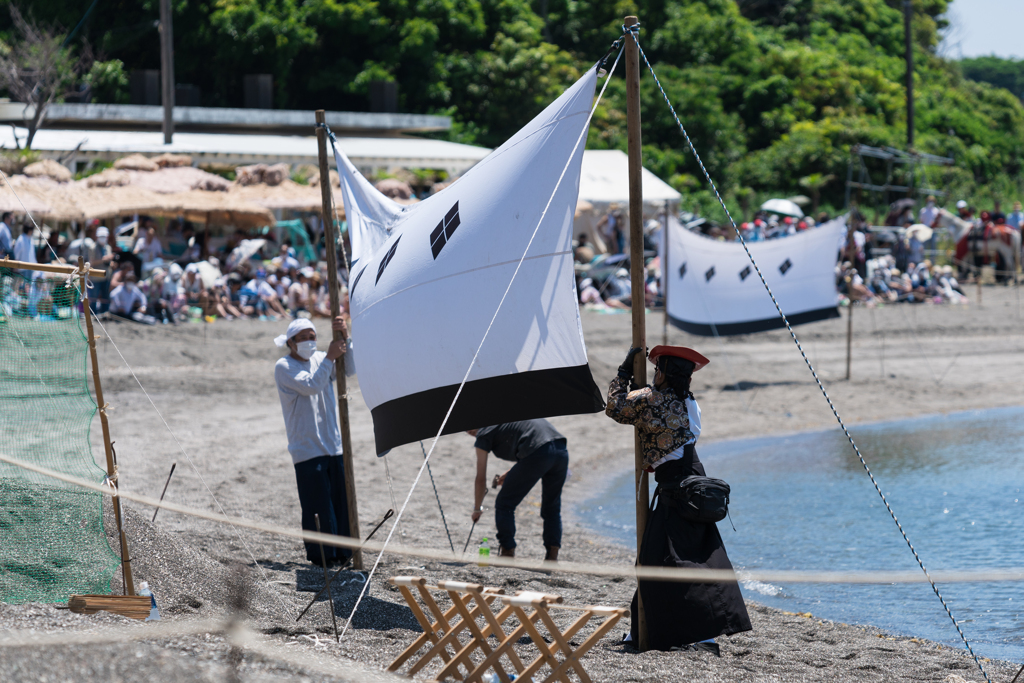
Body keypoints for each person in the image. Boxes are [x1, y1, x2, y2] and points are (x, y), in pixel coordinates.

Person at [606, 345, 751, 653]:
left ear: (666, 374)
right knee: (676, 560)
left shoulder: (653, 398)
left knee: (660, 563)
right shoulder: (690, 402)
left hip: (677, 490)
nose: (654, 375)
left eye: (658, 370)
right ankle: (640, 634)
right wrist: (642, 386)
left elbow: (615, 407)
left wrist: (623, 373)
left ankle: (701, 638)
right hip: (692, 482)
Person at [274, 317, 353, 566]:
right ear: (291, 342)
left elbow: (347, 369)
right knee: (318, 504)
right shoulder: (284, 366)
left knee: (341, 502)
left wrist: (345, 339)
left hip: (332, 442)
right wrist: (330, 356)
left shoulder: (321, 358)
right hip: (306, 446)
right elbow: (311, 386)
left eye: (312, 336)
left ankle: (344, 553)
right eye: (302, 337)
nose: (308, 341)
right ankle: (322, 556)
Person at [466, 420, 568, 560]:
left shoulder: (484, 433)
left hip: (539, 451)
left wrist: (477, 509)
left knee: (504, 503)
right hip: (560, 449)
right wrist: (512, 472)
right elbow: (533, 442)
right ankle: (552, 557)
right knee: (552, 506)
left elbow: (480, 477)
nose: (467, 431)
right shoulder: (505, 418)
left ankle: (507, 552)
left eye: (467, 425)